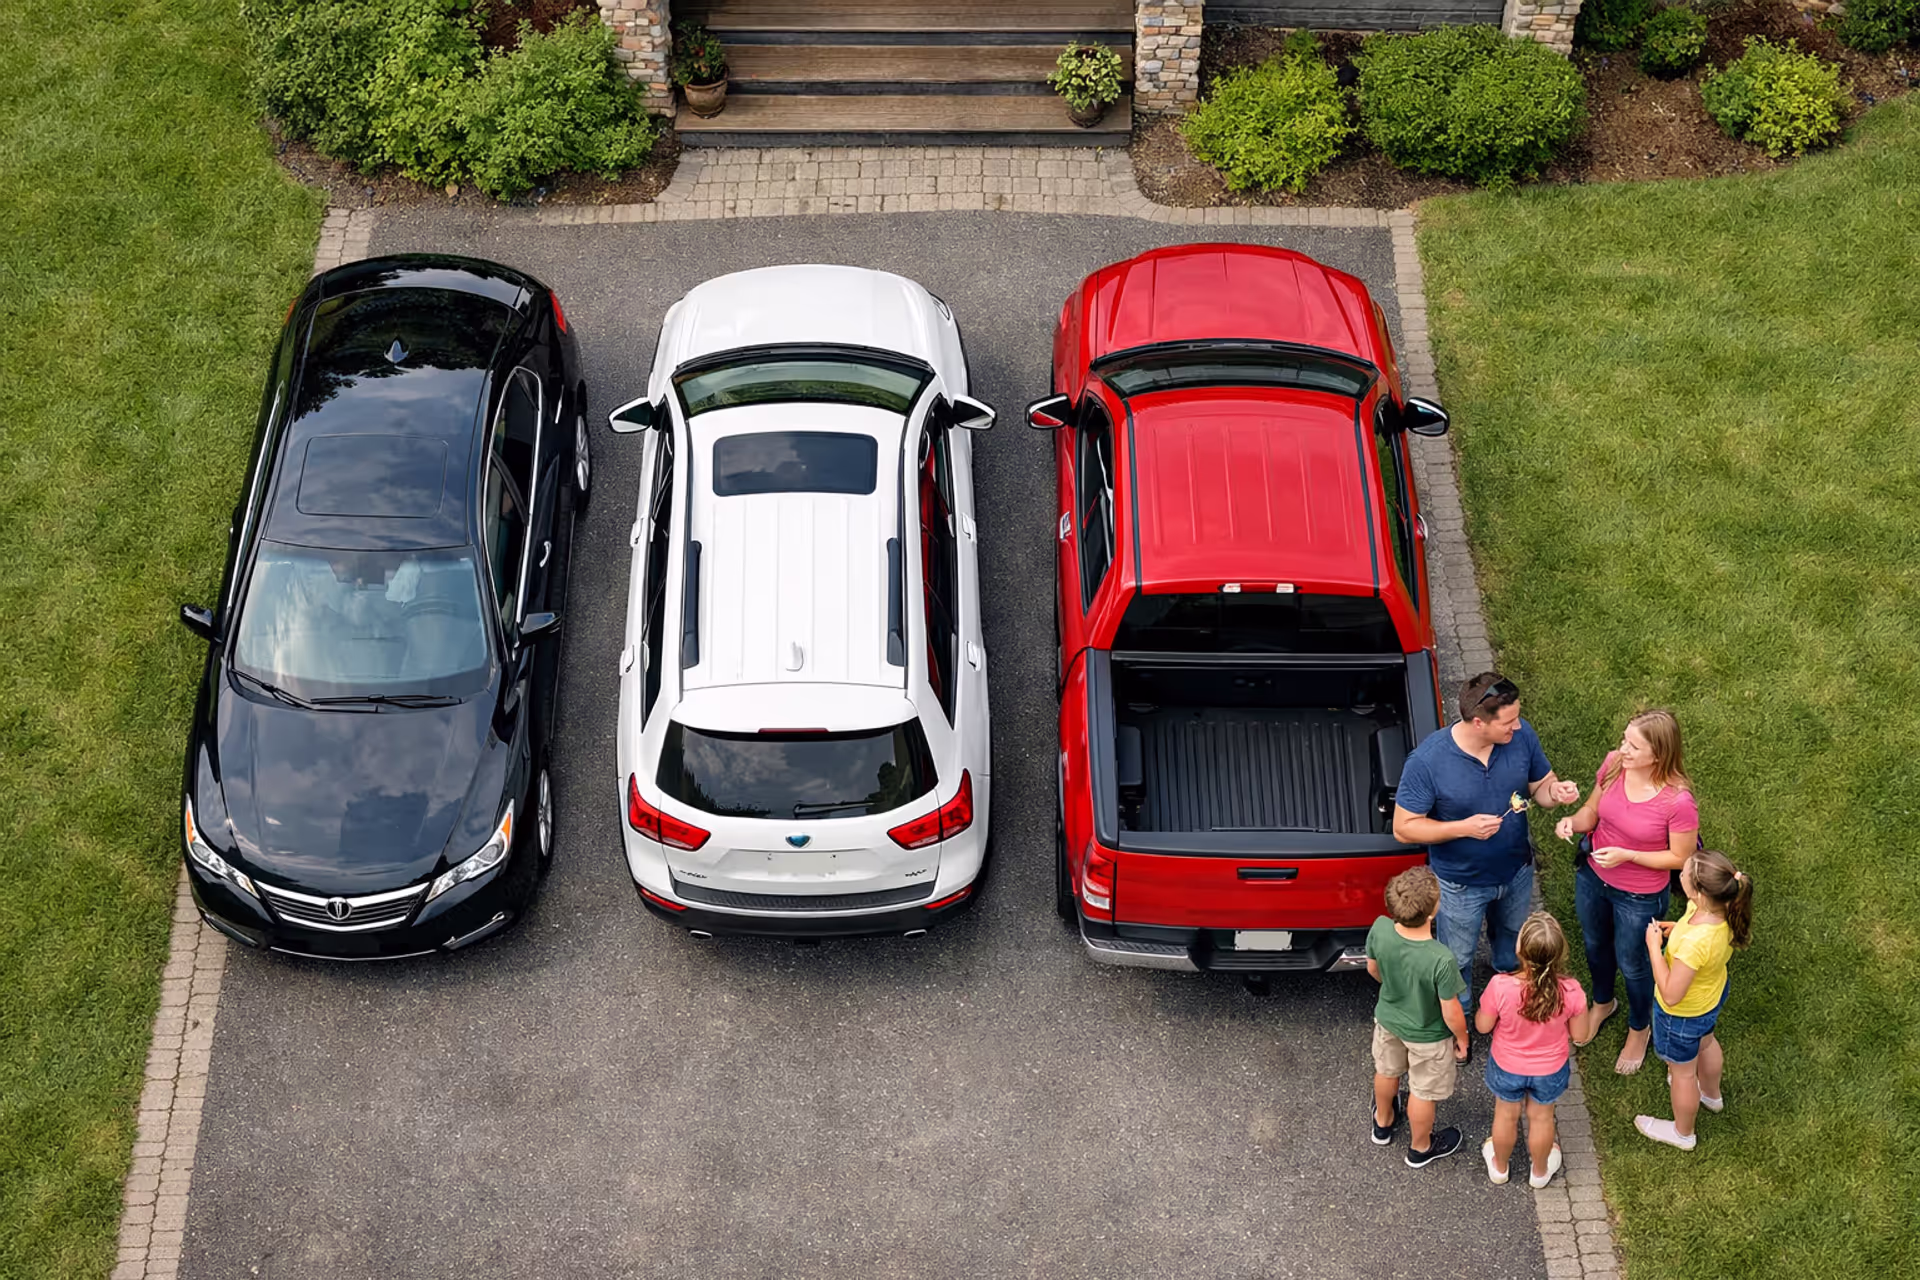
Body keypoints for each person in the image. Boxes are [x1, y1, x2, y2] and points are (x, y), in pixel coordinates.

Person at [1392, 673, 1581, 1033]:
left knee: (1511, 942)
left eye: (1517, 718)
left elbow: (1540, 785)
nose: (1518, 726)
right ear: (1479, 722)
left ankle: (1505, 1001)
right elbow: (1404, 827)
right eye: (1508, 722)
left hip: (1516, 872)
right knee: (1458, 958)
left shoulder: (1520, 736)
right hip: (1460, 884)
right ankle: (1459, 1023)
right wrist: (1462, 828)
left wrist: (1555, 793)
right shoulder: (1428, 762)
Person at [1555, 709, 1700, 1075]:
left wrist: (1628, 855)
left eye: (1634, 746)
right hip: (1593, 879)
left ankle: (1640, 1026)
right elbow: (1592, 810)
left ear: (1659, 754)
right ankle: (1603, 1002)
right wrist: (1573, 822)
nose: (1623, 749)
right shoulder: (1614, 764)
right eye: (1624, 740)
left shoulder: (1677, 801)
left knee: (1634, 964)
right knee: (1594, 944)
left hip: (1639, 896)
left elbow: (1681, 857)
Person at [1636, 849, 1753, 1151]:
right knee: (1707, 1042)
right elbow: (1694, 932)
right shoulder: (1722, 909)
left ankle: (1683, 1132)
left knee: (1682, 1073)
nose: (1681, 876)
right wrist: (1677, 930)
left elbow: (1672, 995)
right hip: (1709, 1000)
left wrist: (1654, 948)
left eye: (1685, 874)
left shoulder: (1695, 944)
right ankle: (1712, 1096)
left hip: (1682, 1014)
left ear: (1700, 893)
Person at [1475, 912, 1598, 1187]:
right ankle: (1540, 1172)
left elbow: (1483, 1026)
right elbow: (1580, 1035)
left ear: (1519, 949)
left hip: (1506, 1065)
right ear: (1559, 953)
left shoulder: (1500, 986)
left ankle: (1500, 1167)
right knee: (1542, 1118)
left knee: (1506, 1115)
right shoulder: (1572, 990)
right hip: (1550, 1069)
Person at [1366, 865, 1471, 1168]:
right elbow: (1451, 1011)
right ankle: (1420, 1148)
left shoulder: (1380, 928)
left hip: (1388, 1020)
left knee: (1387, 1071)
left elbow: (1373, 969)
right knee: (1422, 1090)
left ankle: (1383, 1123)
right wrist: (1462, 1039)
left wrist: (1395, 989)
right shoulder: (1440, 958)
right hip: (1428, 1035)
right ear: (1432, 913)